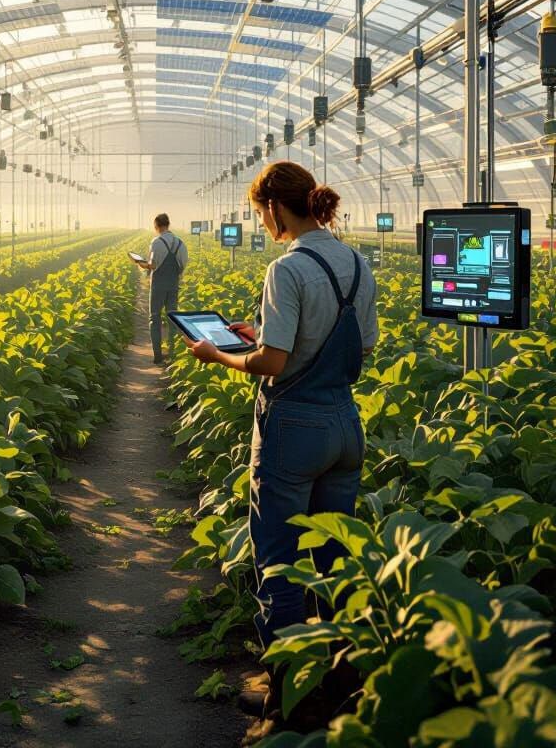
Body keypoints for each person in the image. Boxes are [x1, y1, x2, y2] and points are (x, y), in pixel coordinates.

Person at [182, 161, 377, 722]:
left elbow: (272, 361)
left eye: (258, 213)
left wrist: (219, 353)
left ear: (273, 208)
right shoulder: (357, 263)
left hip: (294, 429)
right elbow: (359, 348)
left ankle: (286, 694)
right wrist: (262, 334)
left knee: (281, 563)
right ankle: (340, 682)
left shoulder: (288, 269)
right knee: (333, 560)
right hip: (344, 424)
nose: (261, 222)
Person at [134, 212, 189, 365]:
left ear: (156, 226)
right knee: (172, 318)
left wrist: (140, 264)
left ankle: (157, 355)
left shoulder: (156, 242)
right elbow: (183, 264)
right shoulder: (180, 243)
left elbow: (152, 265)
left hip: (158, 285)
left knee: (154, 318)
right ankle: (172, 354)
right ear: (168, 225)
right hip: (173, 285)